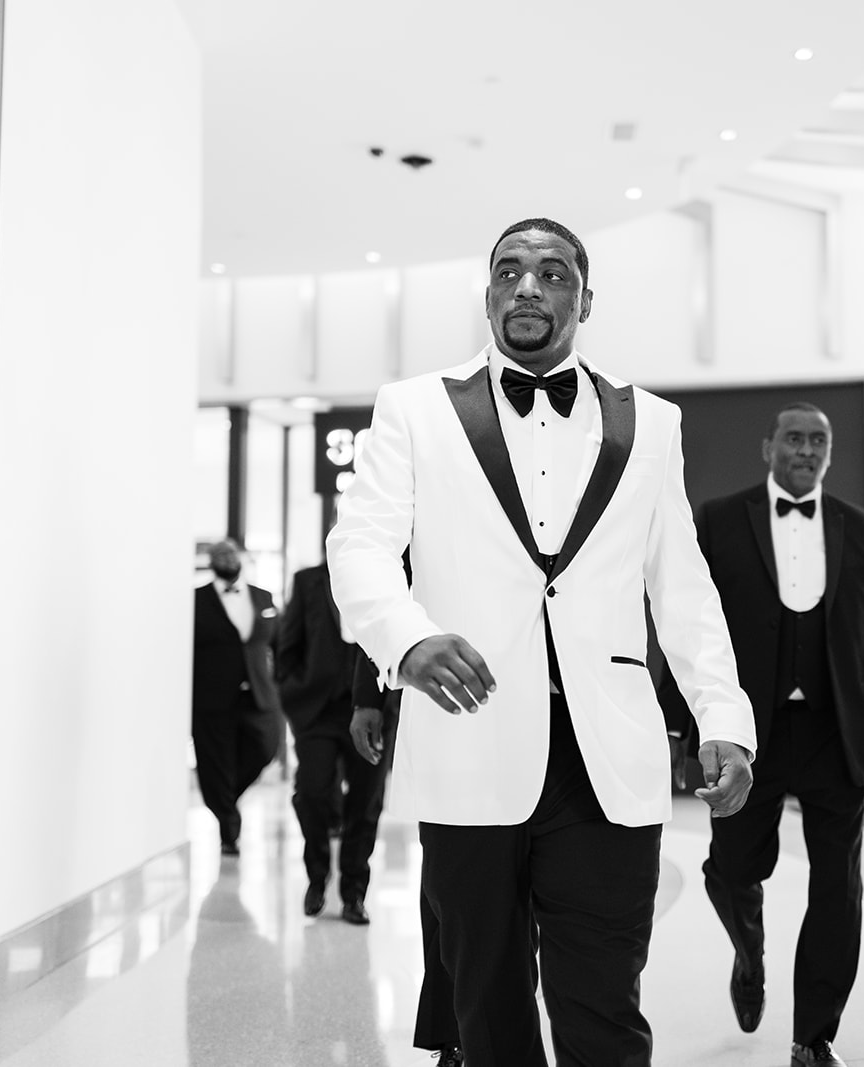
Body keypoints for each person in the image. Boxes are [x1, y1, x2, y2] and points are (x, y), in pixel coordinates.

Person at [326, 217, 756, 1066]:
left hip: (611, 756)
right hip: (469, 744)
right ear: (488, 294)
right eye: (510, 271)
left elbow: (684, 585)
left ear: (585, 299)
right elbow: (360, 545)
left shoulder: (653, 422)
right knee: (486, 1009)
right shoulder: (413, 408)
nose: (529, 287)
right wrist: (407, 639)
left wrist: (724, 718)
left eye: (553, 273)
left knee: (603, 1005)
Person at [667, 403, 864, 1067]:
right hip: (744, 732)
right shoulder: (720, 519)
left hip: (833, 731)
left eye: (820, 440)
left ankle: (814, 1037)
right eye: (794, 438)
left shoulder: (863, 531)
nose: (806, 449)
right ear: (768, 447)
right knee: (731, 868)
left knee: (838, 886)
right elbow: (689, 623)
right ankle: (748, 947)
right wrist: (681, 722)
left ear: (828, 453)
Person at [351, 655, 464, 1067]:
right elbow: (393, 592)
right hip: (455, 711)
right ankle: (454, 1039)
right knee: (451, 893)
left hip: (572, 717)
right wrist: (369, 698)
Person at [275, 560, 386, 924]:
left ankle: (354, 894)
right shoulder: (308, 581)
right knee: (312, 792)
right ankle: (317, 877)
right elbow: (286, 644)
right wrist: (292, 693)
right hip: (316, 712)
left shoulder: (386, 576)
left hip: (373, 710)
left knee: (365, 803)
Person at [191, 539, 282, 857]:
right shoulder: (196, 600)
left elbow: (278, 645)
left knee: (266, 747)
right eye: (220, 555)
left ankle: (226, 799)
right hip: (211, 698)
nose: (227, 558)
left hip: (259, 694)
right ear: (212, 562)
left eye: (232, 553)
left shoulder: (263, 597)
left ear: (242, 558)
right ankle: (229, 831)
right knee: (215, 764)